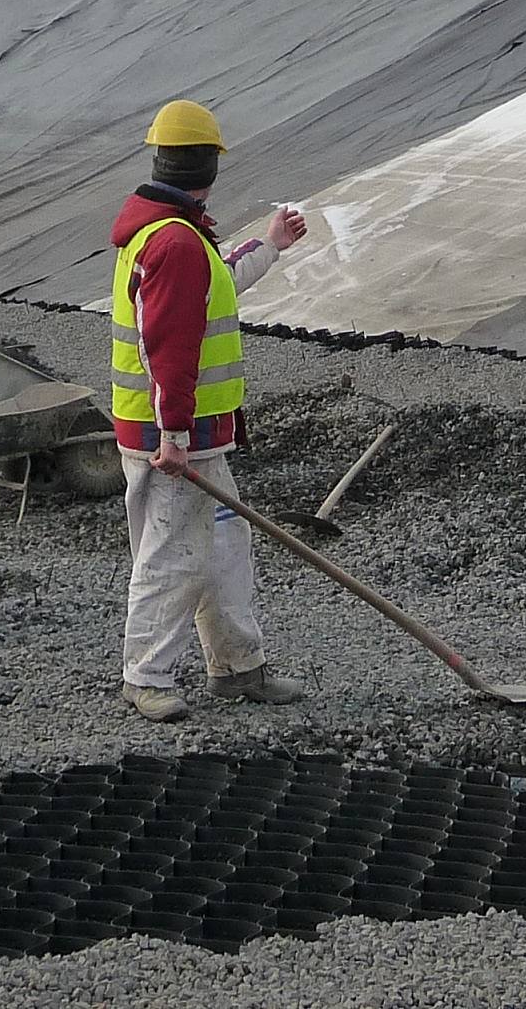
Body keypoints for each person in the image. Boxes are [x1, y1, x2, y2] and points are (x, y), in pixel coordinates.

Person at [110, 98, 310, 722]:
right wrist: (172, 432)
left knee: (224, 547)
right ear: (210, 164)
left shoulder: (176, 234)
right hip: (173, 438)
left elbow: (215, 283)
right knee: (175, 554)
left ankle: (237, 668)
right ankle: (145, 677)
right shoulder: (173, 242)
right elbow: (167, 345)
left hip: (197, 434)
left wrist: (269, 246)